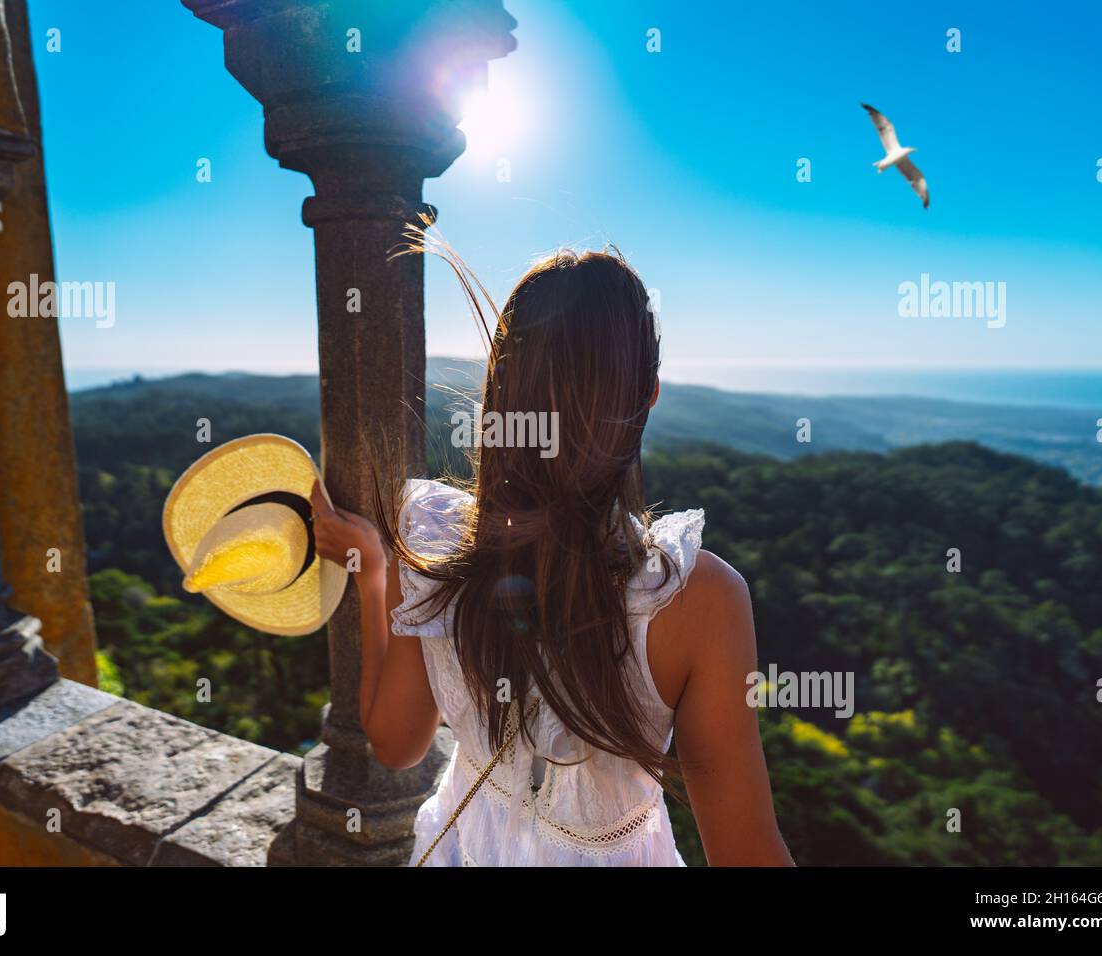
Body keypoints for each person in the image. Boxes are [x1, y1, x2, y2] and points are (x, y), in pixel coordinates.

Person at [310, 240, 792, 866]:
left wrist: (376, 576)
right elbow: (747, 853)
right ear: (648, 394)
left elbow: (397, 744)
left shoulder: (432, 548)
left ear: (499, 391)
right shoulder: (698, 602)